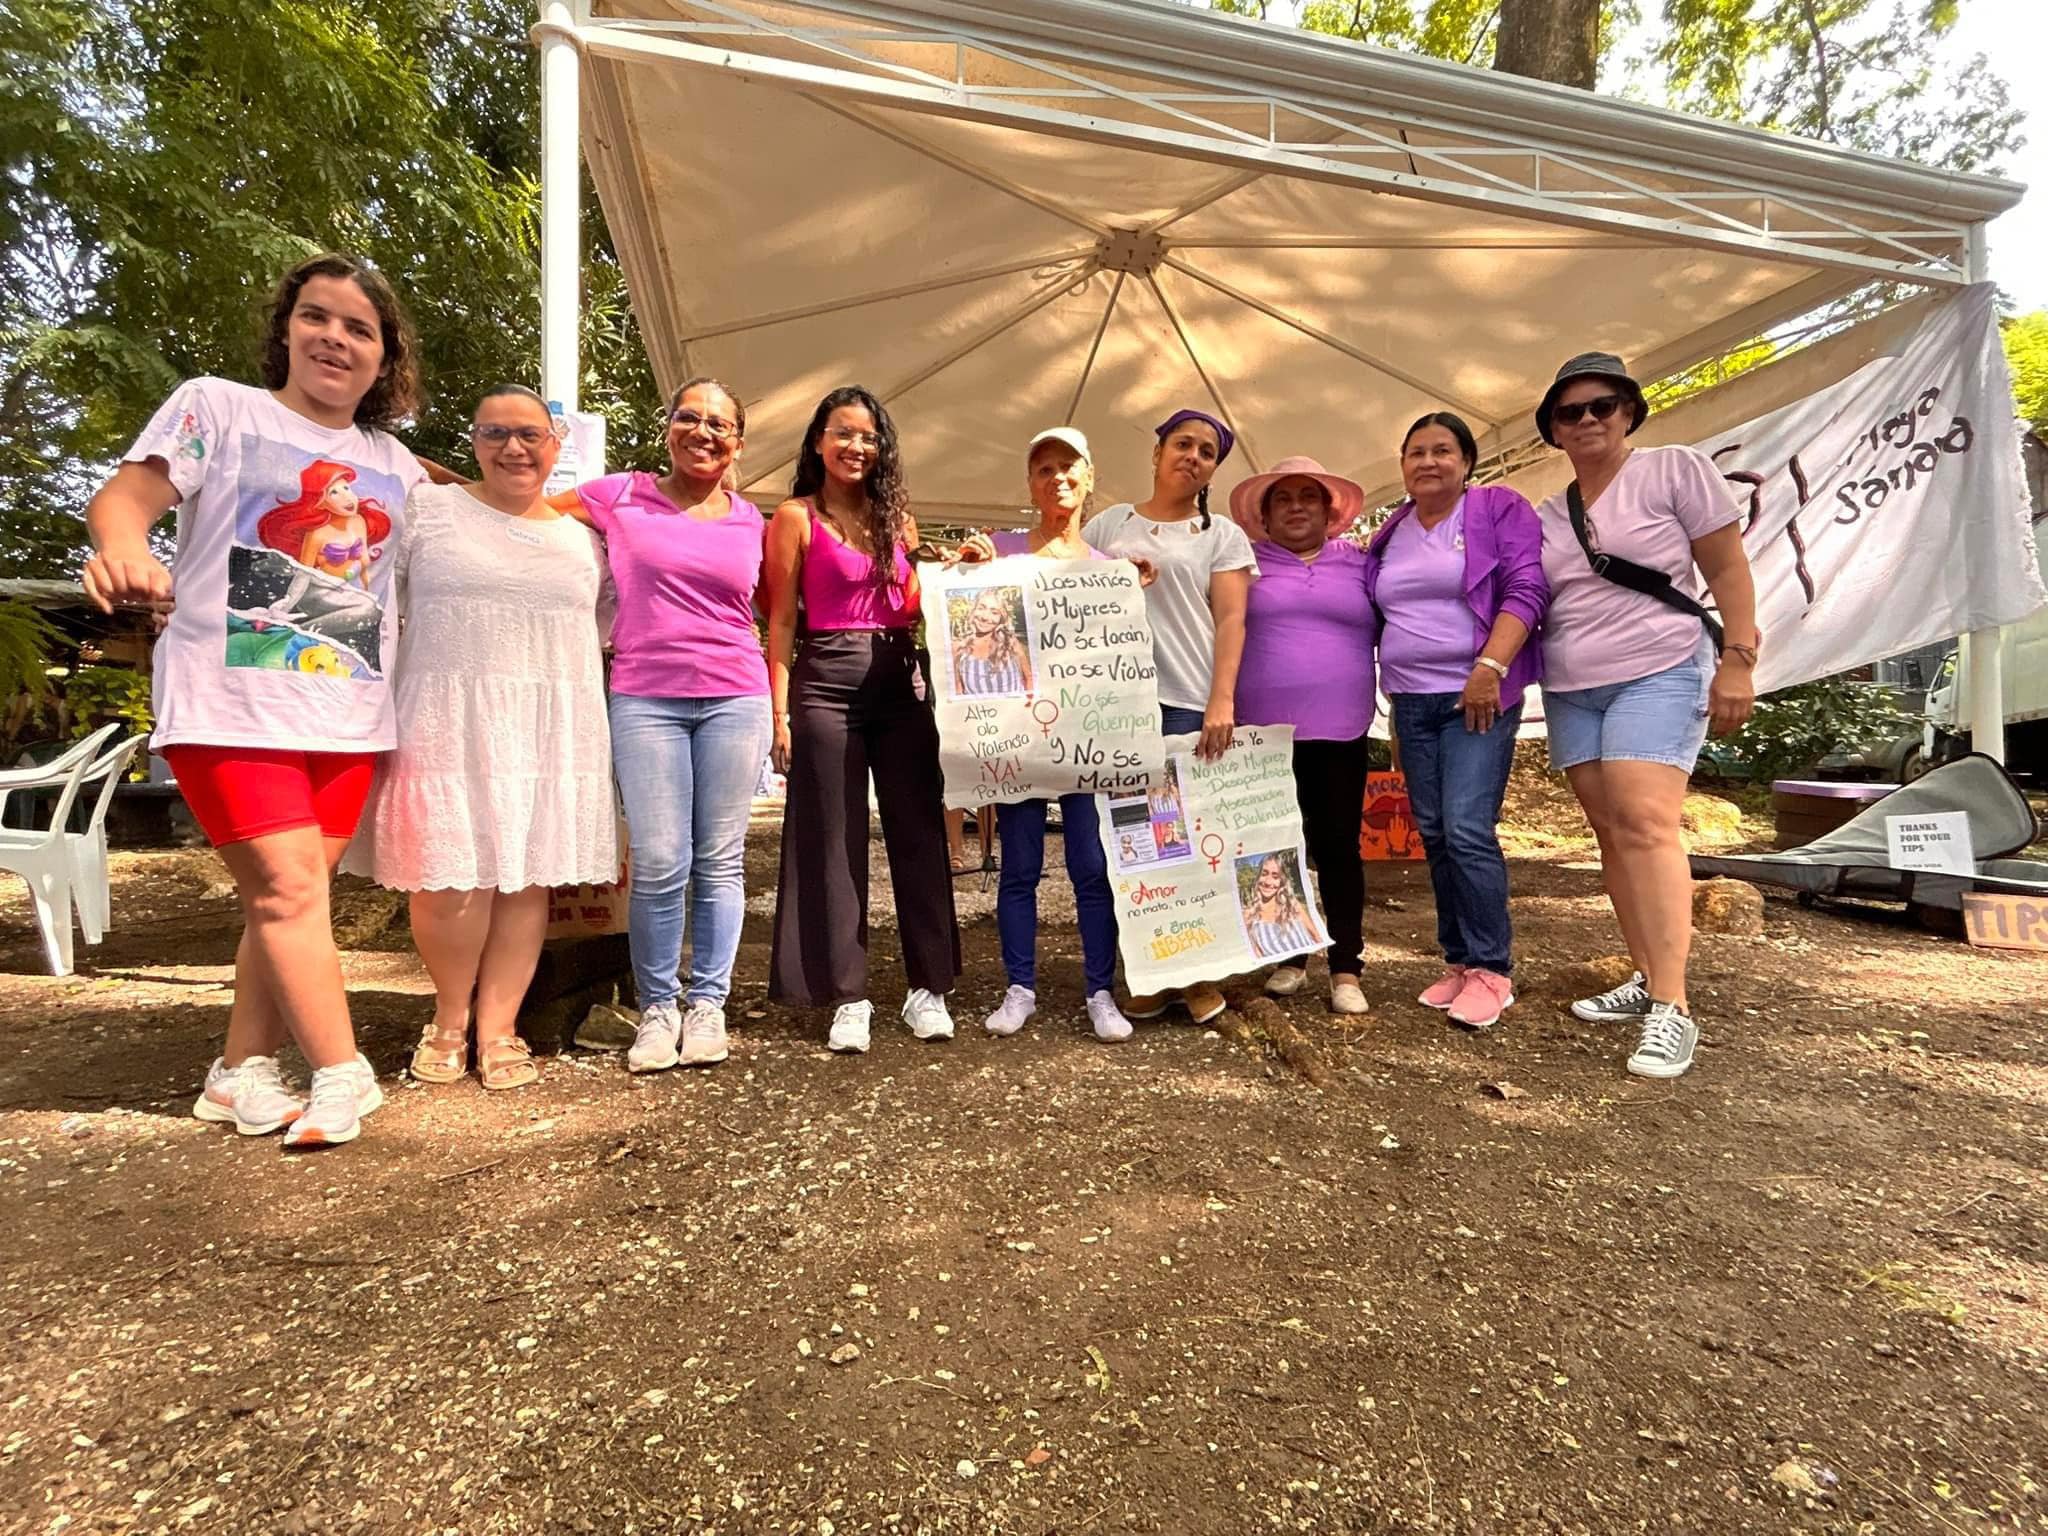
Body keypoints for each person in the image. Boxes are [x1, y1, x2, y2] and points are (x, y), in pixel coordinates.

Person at [80, 252, 426, 1148]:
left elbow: (491, 505)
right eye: (318, 317)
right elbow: (125, 499)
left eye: (360, 328)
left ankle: (239, 1072)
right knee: (287, 889)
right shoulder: (219, 407)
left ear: (385, 358)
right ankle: (342, 1072)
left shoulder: (394, 463)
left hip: (349, 714)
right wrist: (124, 549)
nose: (335, 339)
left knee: (288, 901)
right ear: (286, 328)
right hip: (229, 701)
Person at [343, 386, 616, 1090]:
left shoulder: (586, 545)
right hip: (445, 716)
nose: (514, 447)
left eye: (530, 434)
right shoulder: (427, 512)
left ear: (557, 447)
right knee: (447, 878)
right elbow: (363, 595)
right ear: (473, 441)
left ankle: (499, 1030)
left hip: (548, 725)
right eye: (496, 432)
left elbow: (615, 628)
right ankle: (448, 1020)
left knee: (525, 880)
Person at [1534, 352, 1759, 1079]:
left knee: (1646, 822)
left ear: (1629, 411)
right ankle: (1644, 973)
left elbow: (1726, 569)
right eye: (1572, 411)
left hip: (1661, 665)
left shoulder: (1673, 469)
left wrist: (1740, 657)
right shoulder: (1550, 513)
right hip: (1572, 684)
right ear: (1555, 430)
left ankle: (1673, 1006)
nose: (1589, 419)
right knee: (1610, 830)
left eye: (1603, 405)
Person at [562, 378, 772, 1075]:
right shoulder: (616, 495)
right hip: (645, 697)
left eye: (719, 423)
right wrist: (431, 483)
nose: (703, 431)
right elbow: (518, 506)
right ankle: (658, 1008)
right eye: (690, 417)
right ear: (667, 428)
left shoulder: (752, 521)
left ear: (737, 443)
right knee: (657, 861)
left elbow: (783, 608)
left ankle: (707, 1005)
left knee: (719, 859)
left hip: (735, 697)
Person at [764, 386, 960, 1053]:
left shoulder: (897, 520)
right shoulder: (794, 517)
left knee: (918, 829)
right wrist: (777, 709)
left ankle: (927, 987)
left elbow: (914, 604)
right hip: (824, 680)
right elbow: (783, 619)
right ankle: (847, 995)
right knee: (834, 836)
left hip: (900, 677)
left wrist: (955, 570)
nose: (857, 446)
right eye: (843, 433)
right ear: (818, 440)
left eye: (870, 437)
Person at [1362, 414, 1547, 1032]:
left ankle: (1494, 970)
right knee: (1435, 832)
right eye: (1415, 452)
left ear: (1466, 461)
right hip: (1410, 701)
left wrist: (1491, 666)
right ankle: (1461, 961)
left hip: (1478, 694)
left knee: (1469, 828)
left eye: (1443, 450)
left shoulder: (1496, 508)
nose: (1428, 462)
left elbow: (1527, 588)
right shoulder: (1392, 532)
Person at [954, 427, 1135, 1042]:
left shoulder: (1108, 567)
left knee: (1092, 865)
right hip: (1016, 740)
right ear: (1030, 483)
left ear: (1089, 476)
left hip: (1088, 740)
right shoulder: (1001, 551)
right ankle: (1020, 987)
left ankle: (1099, 991)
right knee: (1020, 867)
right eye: (1043, 469)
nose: (1057, 478)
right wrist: (966, 566)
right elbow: (959, 605)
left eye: (1068, 467)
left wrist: (1137, 588)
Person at [1082, 409, 1257, 1026]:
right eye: (1183, 443)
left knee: (1185, 844)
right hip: (1117, 704)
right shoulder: (1108, 524)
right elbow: (1066, 593)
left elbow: (1232, 620)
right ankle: (1148, 974)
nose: (1193, 456)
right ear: (1157, 452)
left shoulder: (1222, 535)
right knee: (1130, 844)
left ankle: (1197, 973)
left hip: (1187, 698)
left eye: (1207, 451)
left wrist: (1221, 699)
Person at [1231, 455, 1373, 1016]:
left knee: (1338, 846)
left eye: (1307, 497)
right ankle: (1289, 954)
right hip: (1263, 730)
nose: (1296, 507)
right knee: (1275, 846)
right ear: (1263, 515)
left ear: (1328, 510)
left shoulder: (1363, 562)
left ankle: (1346, 966)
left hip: (1342, 726)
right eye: (1282, 499)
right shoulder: (1241, 564)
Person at [951, 587, 1033, 696]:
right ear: (973, 610)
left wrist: (1029, 706)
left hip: (1015, 711)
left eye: (994, 612)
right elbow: (958, 689)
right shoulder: (958, 648)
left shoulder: (1010, 642)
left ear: (1001, 618)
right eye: (981, 608)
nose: (985, 617)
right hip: (979, 712)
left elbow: (1029, 678)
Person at [1242, 853, 1320, 957]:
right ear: (1258, 877)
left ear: (1281, 881)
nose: (1268, 882)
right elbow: (1257, 955)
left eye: (1275, 877)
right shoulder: (1249, 915)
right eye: (1264, 874)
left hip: (1299, 967)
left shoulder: (1292, 905)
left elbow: (1316, 936)